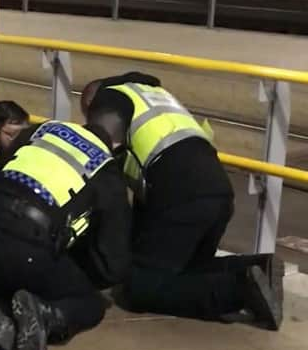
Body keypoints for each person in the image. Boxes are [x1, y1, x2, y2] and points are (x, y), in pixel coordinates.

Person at [81, 72, 284, 330]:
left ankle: (239, 291)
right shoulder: (153, 98)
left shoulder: (108, 100)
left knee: (137, 289)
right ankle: (255, 267)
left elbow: (100, 156)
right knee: (188, 270)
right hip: (218, 189)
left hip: (182, 194)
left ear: (92, 103)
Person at [0, 118, 132, 350]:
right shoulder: (107, 170)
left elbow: (3, 164)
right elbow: (111, 267)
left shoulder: (44, 130)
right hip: (27, 247)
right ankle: (47, 315)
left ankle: (3, 309)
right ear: (114, 149)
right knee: (90, 303)